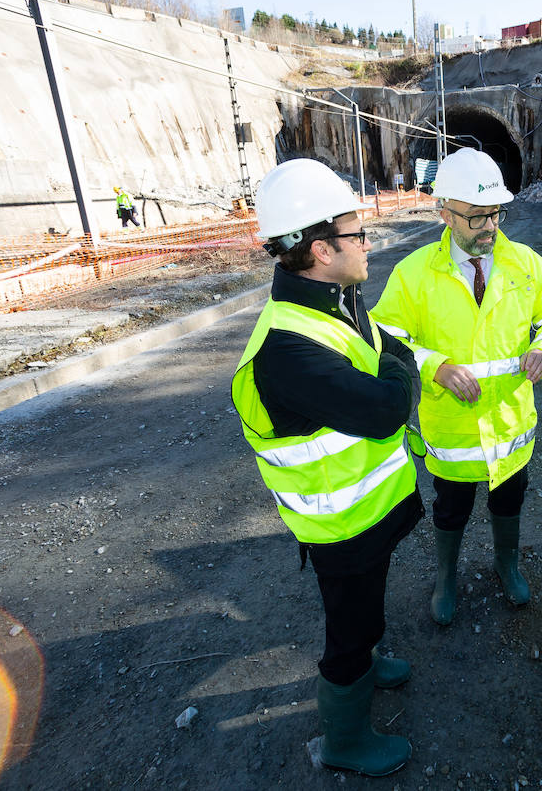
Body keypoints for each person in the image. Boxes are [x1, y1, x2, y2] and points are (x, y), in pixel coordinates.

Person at [230, 159, 422, 777]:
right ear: (320, 249)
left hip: (370, 509)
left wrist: (393, 355)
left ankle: (369, 657)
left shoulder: (335, 300)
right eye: (356, 234)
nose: (368, 244)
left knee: (367, 611)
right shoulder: (287, 349)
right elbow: (388, 406)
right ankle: (344, 740)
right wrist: (404, 362)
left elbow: (381, 351)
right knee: (348, 628)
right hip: (340, 526)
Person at [371, 148, 542, 625]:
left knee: (510, 497)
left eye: (496, 214)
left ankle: (507, 562)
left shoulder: (524, 263)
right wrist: (436, 366)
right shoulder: (414, 273)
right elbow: (386, 338)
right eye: (476, 217)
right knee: (451, 506)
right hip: (453, 428)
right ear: (444, 213)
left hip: (510, 423)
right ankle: (447, 575)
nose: (490, 227)